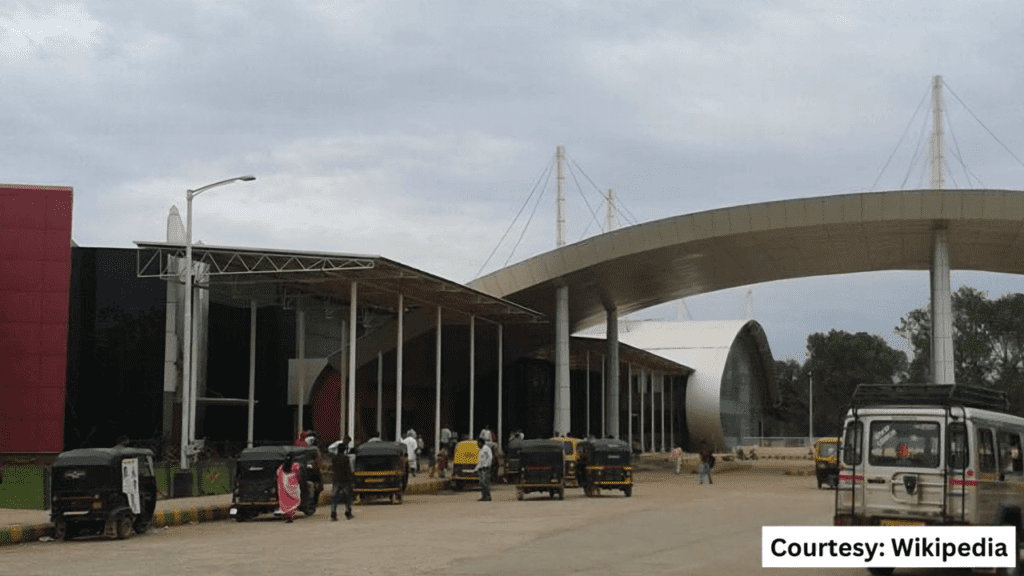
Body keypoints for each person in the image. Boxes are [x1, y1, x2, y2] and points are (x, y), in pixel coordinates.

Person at [329, 436, 354, 521]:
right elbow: (348, 469)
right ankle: (348, 512)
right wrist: (351, 479)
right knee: (347, 496)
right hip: (345, 480)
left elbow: (332, 468)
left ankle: (333, 513)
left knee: (335, 497)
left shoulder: (334, 459)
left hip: (336, 480)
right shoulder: (346, 458)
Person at [276, 453, 302, 523]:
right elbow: (299, 475)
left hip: (283, 487)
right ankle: (291, 516)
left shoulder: (281, 467)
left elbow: (278, 473)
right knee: (293, 501)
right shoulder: (296, 465)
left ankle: (287, 515)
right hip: (293, 486)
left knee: (285, 502)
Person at [473, 437, 493, 501]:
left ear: (481, 443)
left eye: (478, 443)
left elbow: (490, 457)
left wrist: (486, 465)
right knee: (482, 483)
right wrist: (476, 468)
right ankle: (484, 496)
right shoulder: (480, 450)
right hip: (481, 468)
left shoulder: (486, 449)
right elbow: (480, 461)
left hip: (485, 468)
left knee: (485, 482)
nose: (477, 445)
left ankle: (488, 496)